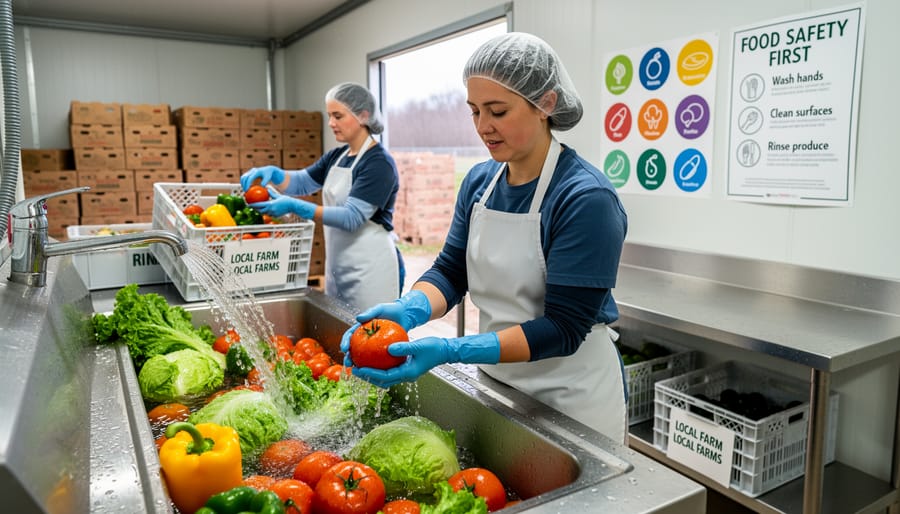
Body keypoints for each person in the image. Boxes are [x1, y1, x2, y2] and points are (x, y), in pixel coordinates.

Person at [340, 33, 630, 443]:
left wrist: (452, 350)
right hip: (498, 381)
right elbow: (450, 271)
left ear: (545, 104)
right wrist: (412, 308)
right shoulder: (480, 182)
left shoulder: (585, 198)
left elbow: (564, 328)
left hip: (571, 397)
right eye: (474, 111)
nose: (482, 127)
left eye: (497, 111)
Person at [240, 82, 402, 311]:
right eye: (329, 116)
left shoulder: (378, 163)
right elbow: (302, 182)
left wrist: (296, 207)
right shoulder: (337, 156)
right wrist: (274, 173)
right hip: (339, 266)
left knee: (372, 337)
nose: (331, 123)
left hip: (371, 269)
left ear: (363, 116)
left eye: (338, 116)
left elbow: (352, 217)